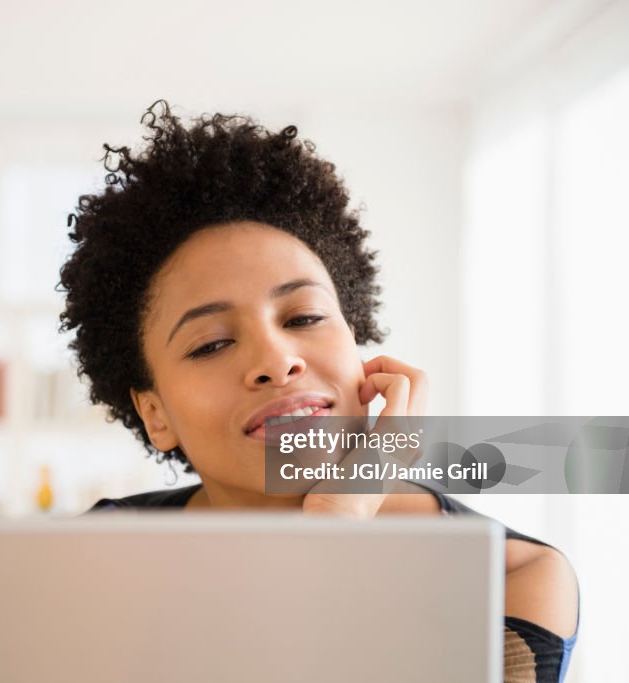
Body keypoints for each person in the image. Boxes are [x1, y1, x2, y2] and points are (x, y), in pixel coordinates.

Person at [58, 100, 579, 682]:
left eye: (304, 318)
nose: (278, 362)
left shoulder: (510, 576)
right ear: (156, 413)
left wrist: (338, 521)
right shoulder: (100, 559)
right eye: (210, 344)